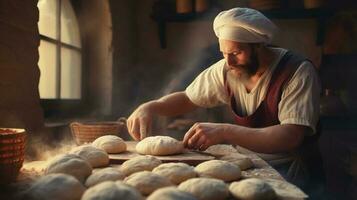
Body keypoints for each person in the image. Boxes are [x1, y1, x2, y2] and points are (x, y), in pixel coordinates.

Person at [127, 7, 321, 186]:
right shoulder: (227, 69)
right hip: (251, 168)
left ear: (259, 46)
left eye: (236, 52)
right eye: (224, 53)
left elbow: (290, 136)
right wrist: (151, 106)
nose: (228, 61)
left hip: (292, 172)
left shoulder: (296, 71)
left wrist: (225, 131)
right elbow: (188, 98)